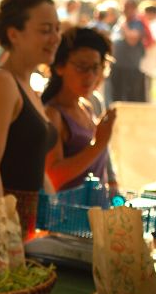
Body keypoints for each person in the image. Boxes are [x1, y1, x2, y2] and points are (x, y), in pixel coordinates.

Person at [0, 0, 60, 239]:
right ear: (14, 34)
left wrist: (55, 216)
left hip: (24, 230)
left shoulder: (27, 85)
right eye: (45, 30)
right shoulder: (0, 82)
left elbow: (31, 162)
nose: (55, 38)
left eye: (57, 29)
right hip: (0, 232)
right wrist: (0, 238)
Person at [42, 27, 118, 192]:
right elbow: (53, 176)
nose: (90, 76)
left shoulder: (88, 105)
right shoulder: (52, 114)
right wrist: (98, 144)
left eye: (95, 68)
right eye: (81, 67)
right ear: (60, 67)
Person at [109, 0, 147, 102]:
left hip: (130, 68)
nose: (125, 10)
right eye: (124, 7)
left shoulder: (137, 23)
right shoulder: (120, 22)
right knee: (116, 96)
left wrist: (124, 26)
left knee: (131, 97)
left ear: (134, 9)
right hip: (117, 66)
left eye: (127, 7)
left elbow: (132, 40)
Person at [139, 1, 156, 101]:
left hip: (148, 62)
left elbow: (153, 42)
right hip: (145, 62)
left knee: (146, 90)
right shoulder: (150, 24)